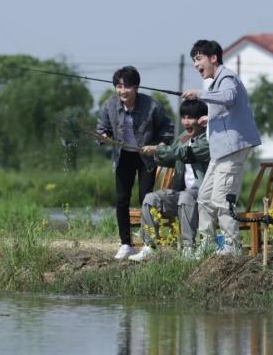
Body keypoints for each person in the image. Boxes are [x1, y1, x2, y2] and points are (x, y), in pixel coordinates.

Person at [181, 39, 262, 257]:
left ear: (213, 58)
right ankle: (207, 243)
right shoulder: (216, 83)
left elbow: (228, 97)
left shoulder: (227, 77)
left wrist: (199, 94)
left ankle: (232, 246)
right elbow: (227, 108)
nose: (196, 65)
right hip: (220, 153)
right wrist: (211, 117)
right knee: (205, 198)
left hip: (232, 150)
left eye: (199, 59)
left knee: (222, 200)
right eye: (194, 61)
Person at [96, 66, 174, 260]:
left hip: (146, 156)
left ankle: (148, 244)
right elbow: (102, 129)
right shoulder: (109, 106)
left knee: (145, 199)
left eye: (127, 87)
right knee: (121, 200)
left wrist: (157, 146)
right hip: (123, 156)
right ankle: (125, 244)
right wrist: (104, 137)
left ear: (136, 87)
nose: (123, 91)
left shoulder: (152, 105)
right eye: (119, 86)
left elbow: (168, 129)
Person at [128, 99, 210, 261]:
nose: (186, 122)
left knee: (186, 197)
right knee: (150, 198)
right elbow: (168, 158)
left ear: (202, 120)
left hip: (205, 195)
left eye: (191, 117)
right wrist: (154, 152)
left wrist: (159, 149)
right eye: (184, 117)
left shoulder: (207, 140)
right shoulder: (183, 138)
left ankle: (189, 248)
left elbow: (182, 153)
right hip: (182, 194)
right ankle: (149, 247)